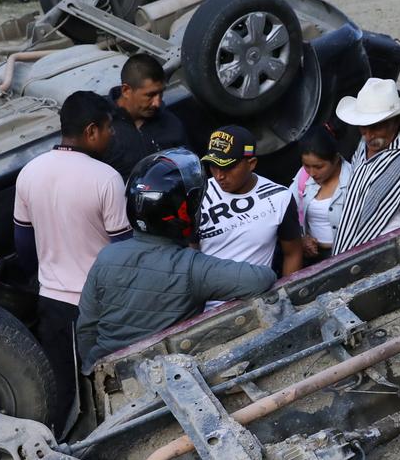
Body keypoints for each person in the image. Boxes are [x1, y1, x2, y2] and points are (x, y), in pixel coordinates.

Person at [76, 149, 275, 372]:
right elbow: (261, 279)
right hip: (166, 373)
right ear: (182, 214)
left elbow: (86, 328)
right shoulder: (191, 267)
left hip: (107, 373)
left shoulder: (106, 256)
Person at [13, 90, 131, 429]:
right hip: (100, 306)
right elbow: (122, 250)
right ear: (92, 131)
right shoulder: (105, 178)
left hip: (51, 302)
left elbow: (23, 243)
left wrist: (44, 275)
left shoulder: (30, 173)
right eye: (109, 128)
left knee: (63, 391)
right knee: (110, 387)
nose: (112, 136)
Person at [331, 77, 400, 254]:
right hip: (347, 255)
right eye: (363, 126)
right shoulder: (363, 146)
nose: (369, 135)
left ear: (396, 121)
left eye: (376, 126)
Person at [198, 124, 303, 276]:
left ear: (251, 164)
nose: (219, 175)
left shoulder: (279, 198)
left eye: (228, 167)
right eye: (213, 166)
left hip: (260, 295)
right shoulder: (197, 196)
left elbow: (292, 253)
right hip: (211, 297)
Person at [106, 52, 188, 180]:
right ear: (126, 91)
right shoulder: (100, 126)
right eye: (150, 95)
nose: (157, 102)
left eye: (161, 93)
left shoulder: (172, 124)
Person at [294, 124, 353, 263]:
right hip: (312, 256)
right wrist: (303, 238)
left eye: (318, 167)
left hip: (345, 256)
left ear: (336, 159)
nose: (312, 173)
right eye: (306, 166)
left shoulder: (353, 180)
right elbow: (290, 208)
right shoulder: (303, 176)